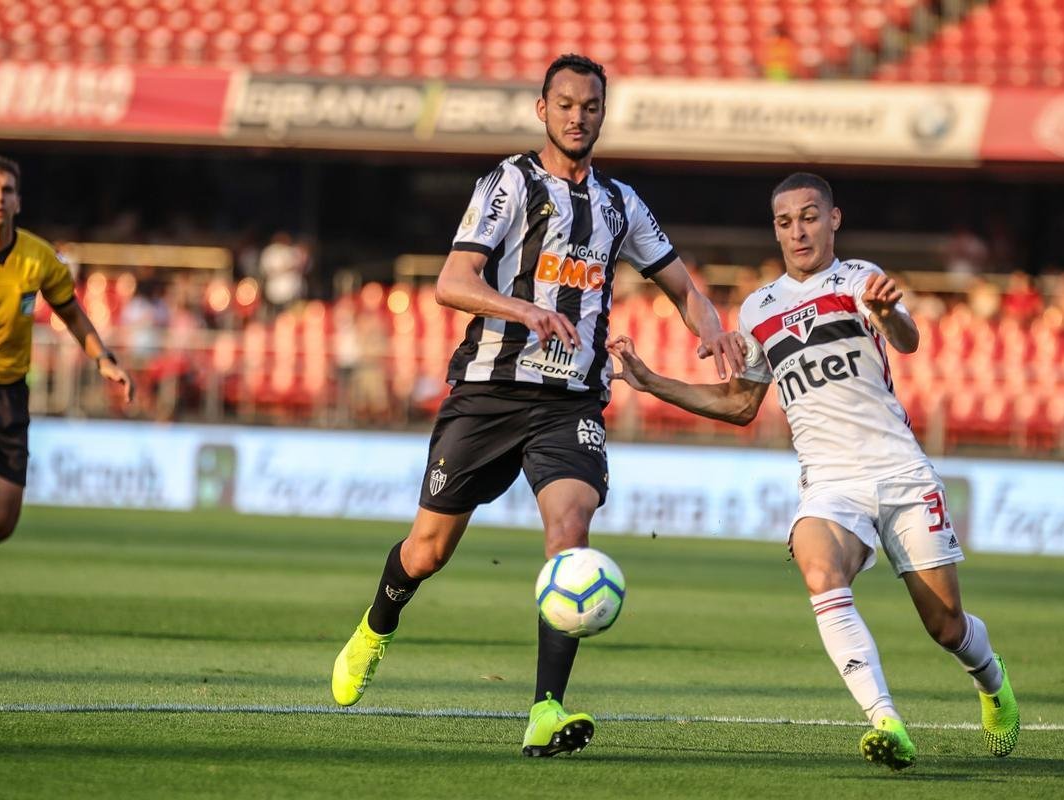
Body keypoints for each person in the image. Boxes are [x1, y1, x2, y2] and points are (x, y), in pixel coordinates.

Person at [329, 55, 743, 757]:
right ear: (541, 109)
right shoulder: (509, 182)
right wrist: (521, 308)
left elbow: (680, 284)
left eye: (591, 106)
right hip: (489, 394)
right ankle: (375, 627)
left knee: (569, 534)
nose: (578, 117)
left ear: (602, 114)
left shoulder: (621, 203)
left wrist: (711, 328)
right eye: (566, 104)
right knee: (427, 552)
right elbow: (453, 281)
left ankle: (546, 711)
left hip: (569, 404)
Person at [607, 173, 1018, 771]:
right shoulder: (758, 308)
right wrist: (651, 383)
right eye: (783, 221)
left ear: (833, 220)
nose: (796, 231)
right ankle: (886, 721)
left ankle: (992, 682)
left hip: (900, 472)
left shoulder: (860, 280)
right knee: (820, 569)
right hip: (829, 481)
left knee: (945, 624)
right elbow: (740, 403)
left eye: (808, 217)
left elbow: (907, 340)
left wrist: (887, 314)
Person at [0, 155, 134, 551]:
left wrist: (104, 359)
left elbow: (72, 314)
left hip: (9, 394)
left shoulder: (40, 258)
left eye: (7, 190)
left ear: (18, 202)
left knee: (0, 523)